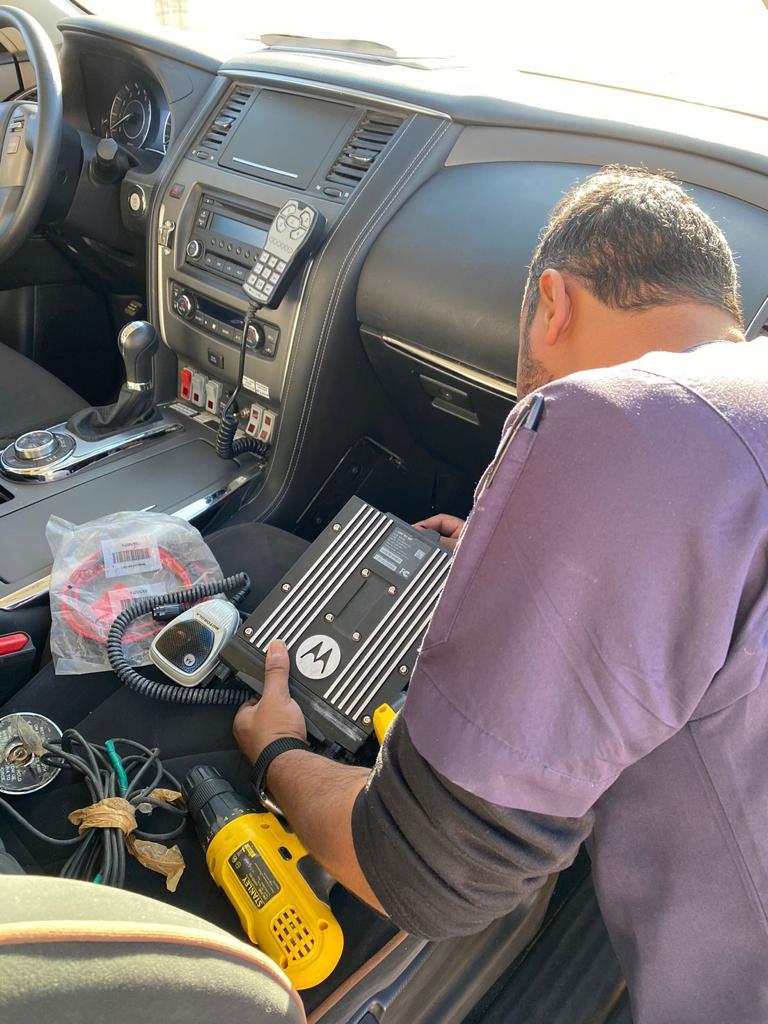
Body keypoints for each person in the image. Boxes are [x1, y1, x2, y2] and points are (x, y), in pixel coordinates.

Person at [4, 166, 767, 1023]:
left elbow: (431, 876)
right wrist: (524, 563)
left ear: (551, 304)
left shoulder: (615, 418)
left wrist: (276, 752)